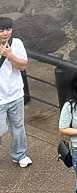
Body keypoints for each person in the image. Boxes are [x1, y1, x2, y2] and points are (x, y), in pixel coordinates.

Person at [0, 16, 31, 168]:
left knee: (18, 127)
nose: (5, 33)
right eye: (1, 30)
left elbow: (23, 66)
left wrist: (10, 55)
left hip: (16, 94)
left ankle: (20, 154)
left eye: (8, 29)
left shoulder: (16, 43)